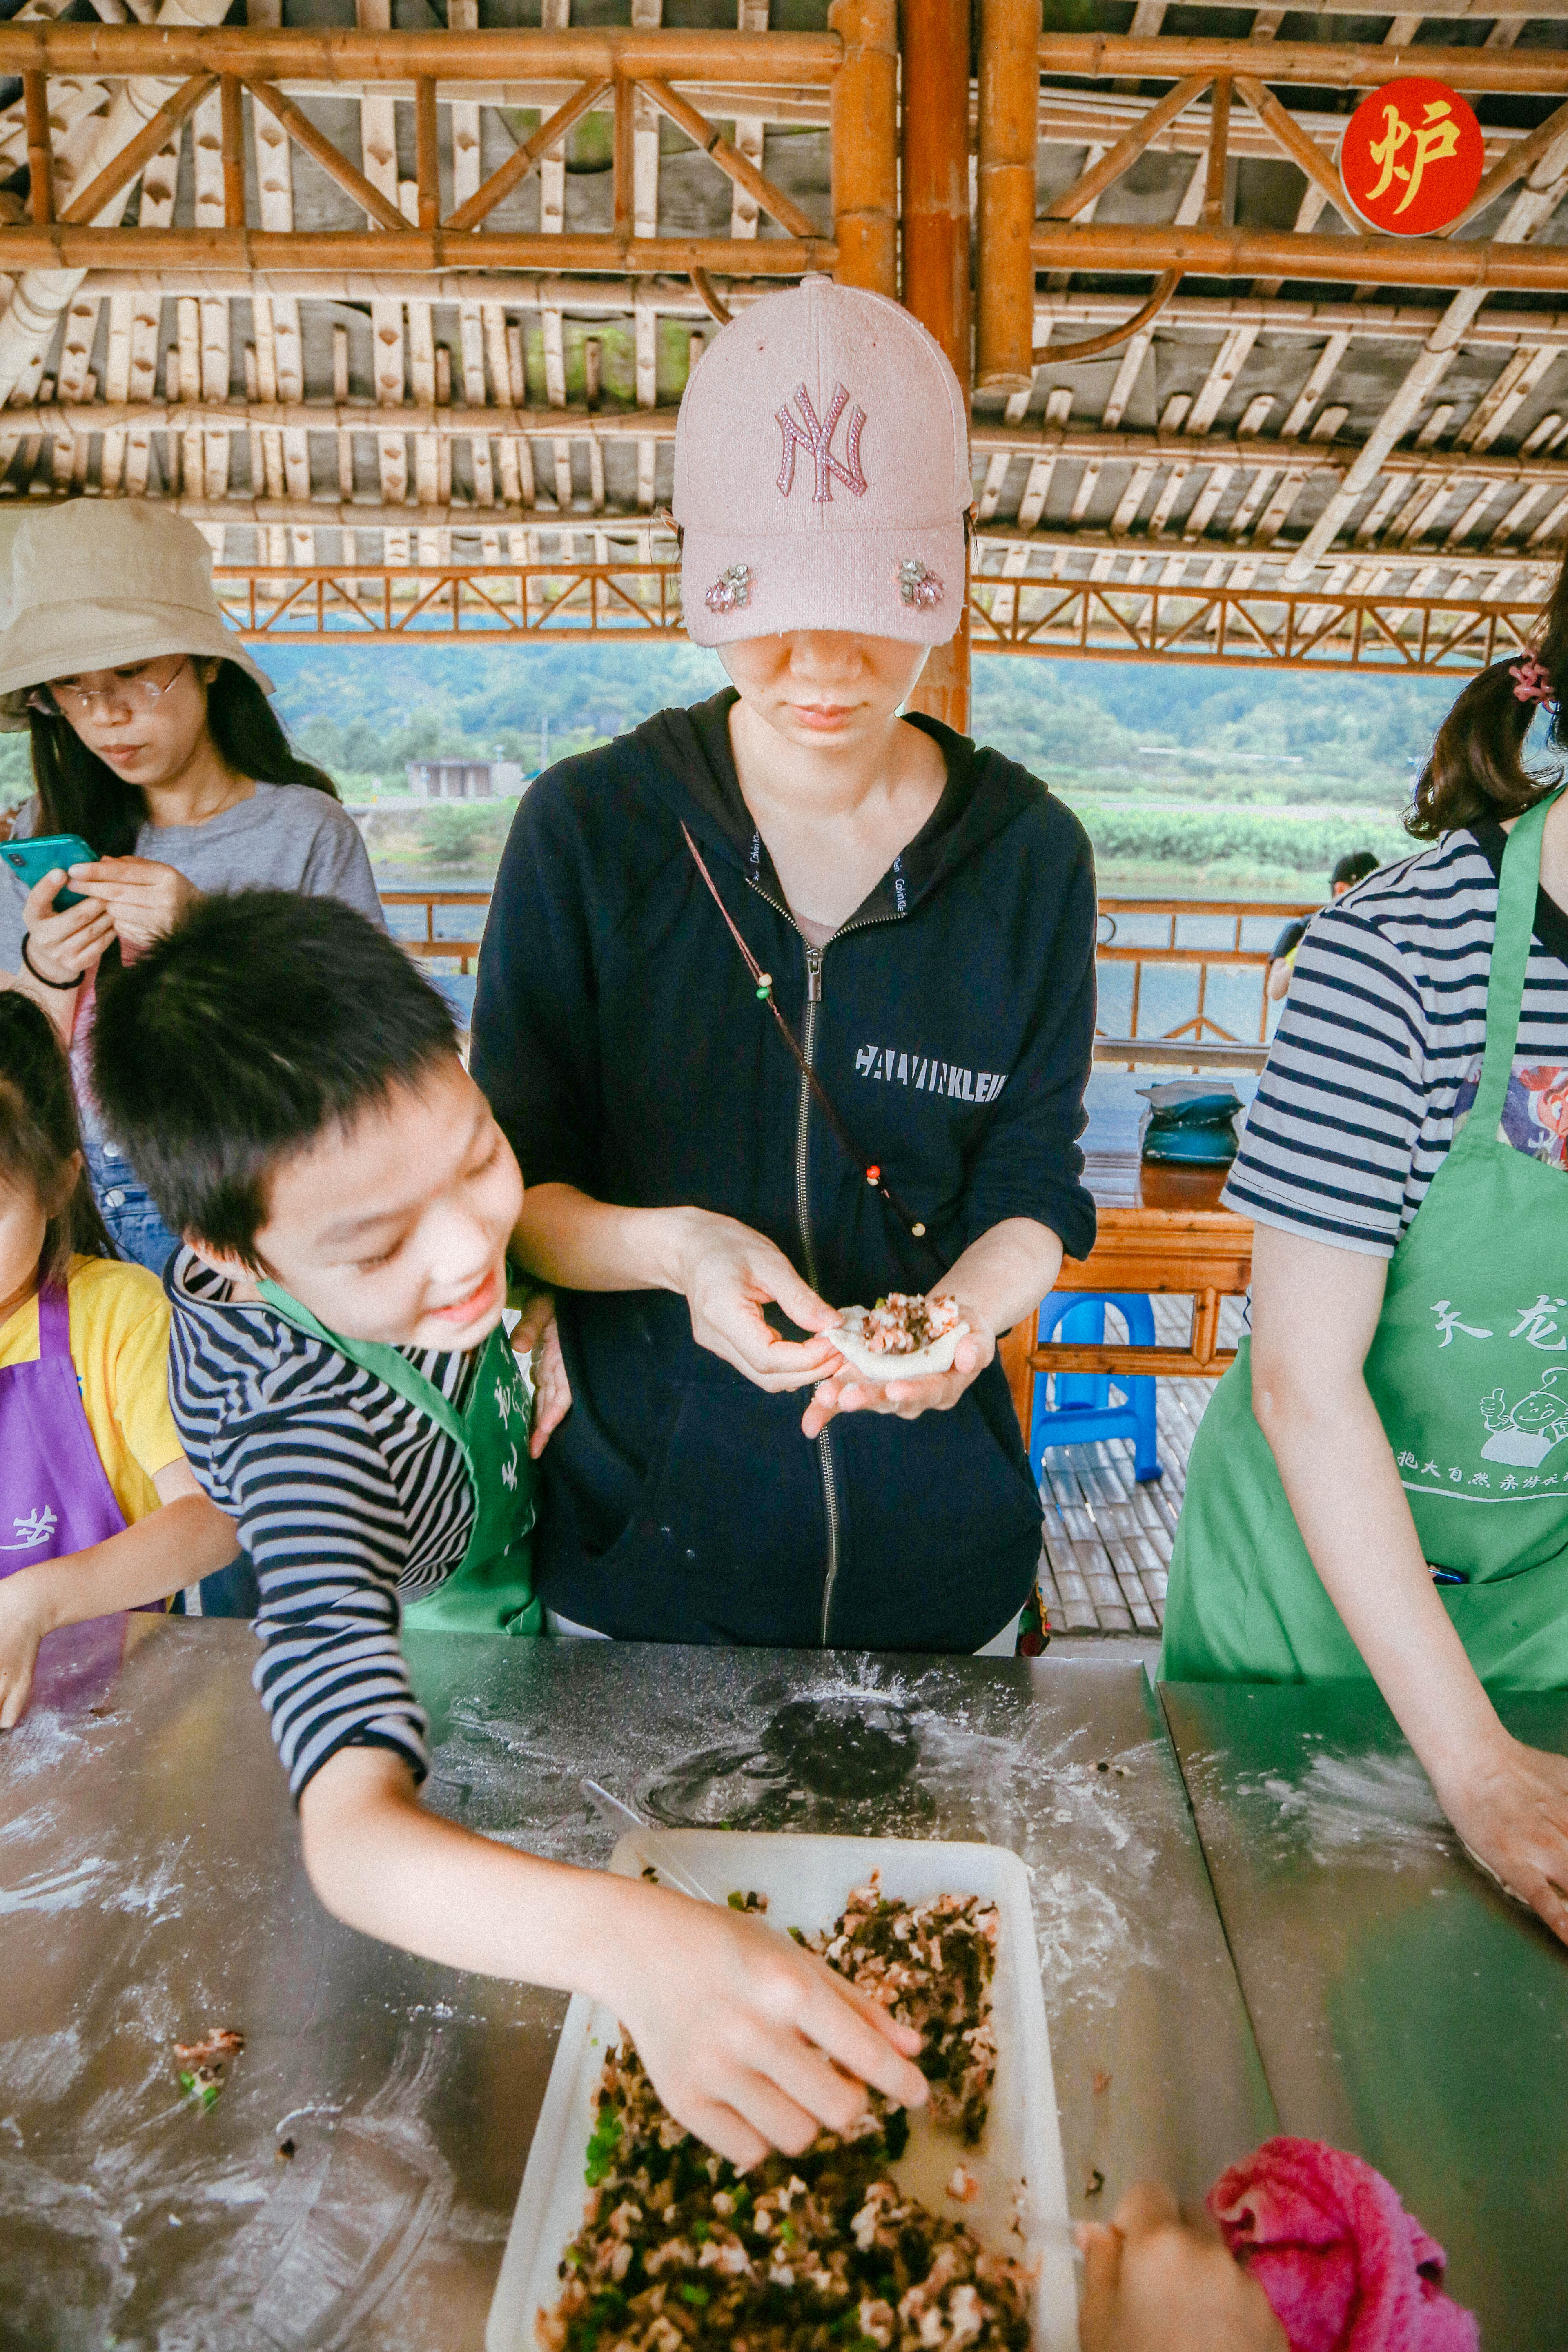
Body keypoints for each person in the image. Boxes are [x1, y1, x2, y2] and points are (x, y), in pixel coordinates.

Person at [89, 888, 931, 2165]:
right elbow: (355, 1837)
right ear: (238, 1256)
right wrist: (639, 1948)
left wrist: (657, 1258)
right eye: (380, 1247)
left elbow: (498, 1227)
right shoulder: (295, 1430)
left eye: (478, 1156)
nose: (464, 1250)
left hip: (531, 1579)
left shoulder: (401, 1208)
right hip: (437, 1661)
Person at [471, 276, 1096, 1653]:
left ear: (945, 565)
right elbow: (510, 1195)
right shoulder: (587, 831)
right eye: (773, 605)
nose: (825, 661)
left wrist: (962, 1324)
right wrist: (680, 1251)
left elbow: (1035, 1186)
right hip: (645, 1563)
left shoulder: (1030, 856)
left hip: (943, 1566)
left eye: (871, 602)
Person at [1161, 585, 1568, 1949]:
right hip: (1306, 1619)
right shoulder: (1399, 953)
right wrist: (1477, 1765)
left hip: (1543, 1617)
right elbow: (1304, 1382)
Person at [0, 502, 383, 1275]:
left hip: (255, 1207)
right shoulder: (41, 829)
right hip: (75, 1218)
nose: (107, 715)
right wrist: (46, 971)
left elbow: (372, 1054)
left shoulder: (305, 829)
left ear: (209, 664)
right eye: (71, 686)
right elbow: (17, 1076)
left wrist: (206, 938)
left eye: (135, 673)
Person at [0, 993, 238, 1726]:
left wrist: (35, 1603)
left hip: (115, 1719)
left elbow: (213, 1520)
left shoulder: (118, 1318)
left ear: (58, 1183)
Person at [1264, 848, 1380, 1003]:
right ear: (1341, 889)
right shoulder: (1302, 929)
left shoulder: (1381, 933)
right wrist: (1306, 946)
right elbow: (1275, 991)